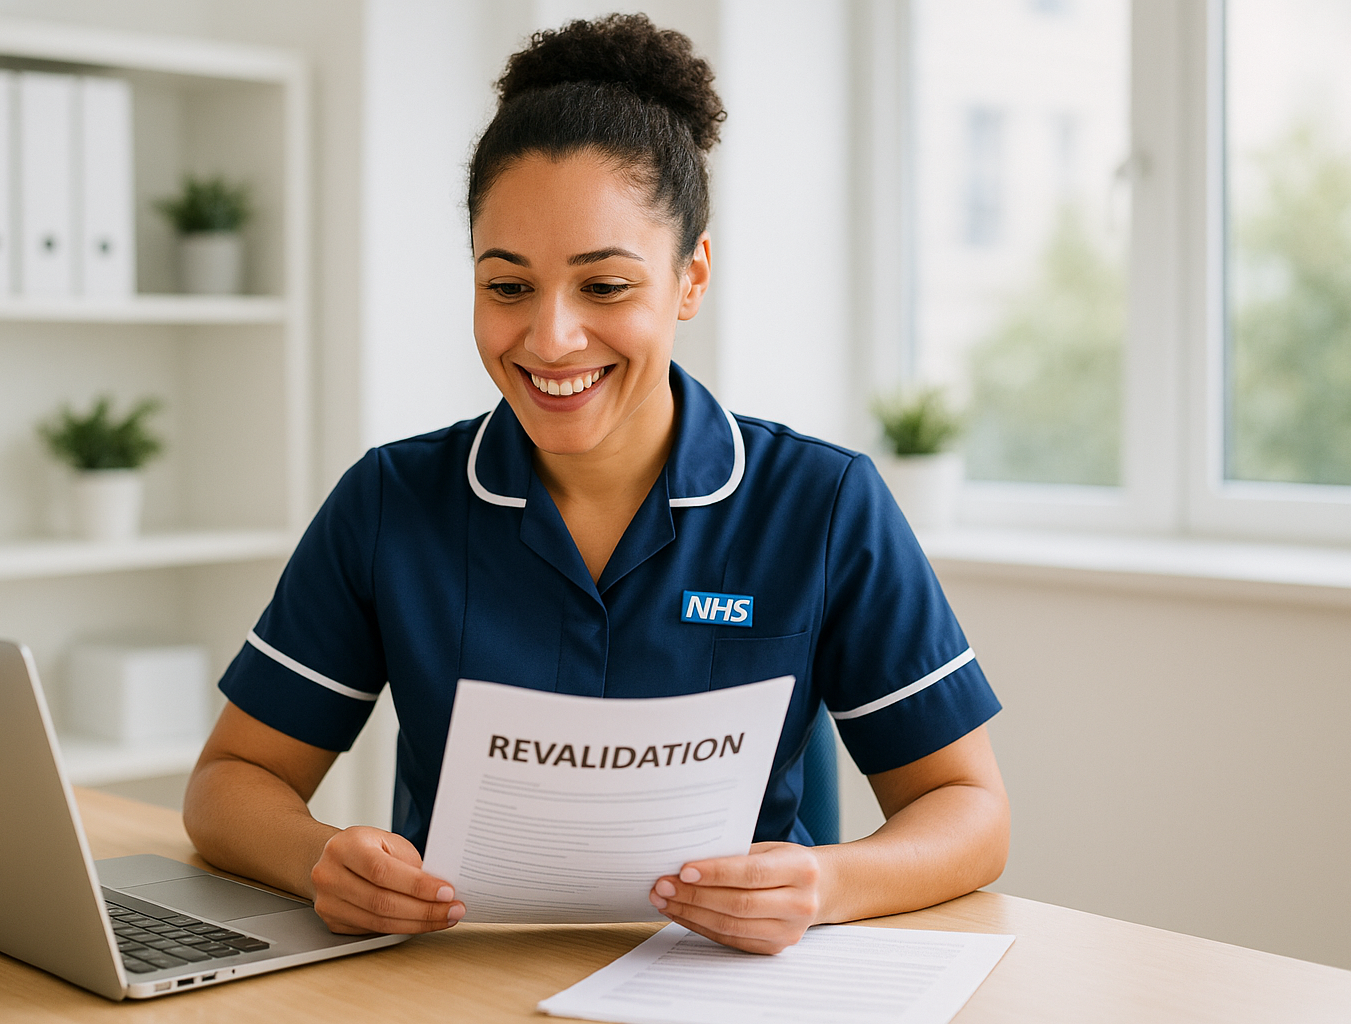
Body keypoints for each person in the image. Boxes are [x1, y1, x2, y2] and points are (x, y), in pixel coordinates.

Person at [184, 13, 1009, 956]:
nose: (550, 339)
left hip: (727, 990)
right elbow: (229, 785)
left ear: (690, 277)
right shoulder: (390, 502)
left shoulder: (822, 505)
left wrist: (826, 882)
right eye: (508, 287)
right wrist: (317, 858)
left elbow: (968, 810)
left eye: (605, 287)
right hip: (444, 985)